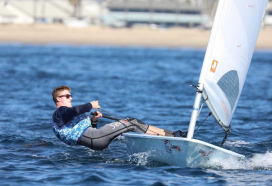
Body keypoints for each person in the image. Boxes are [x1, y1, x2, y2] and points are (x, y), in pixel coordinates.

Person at [52, 86, 184, 150]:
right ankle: (167, 139)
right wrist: (90, 105)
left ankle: (170, 134)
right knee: (131, 122)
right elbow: (76, 110)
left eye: (71, 95)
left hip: (94, 140)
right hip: (94, 139)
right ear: (58, 99)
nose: (71, 98)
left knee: (133, 123)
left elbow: (88, 130)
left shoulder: (66, 115)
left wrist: (94, 121)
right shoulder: (60, 112)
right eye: (67, 96)